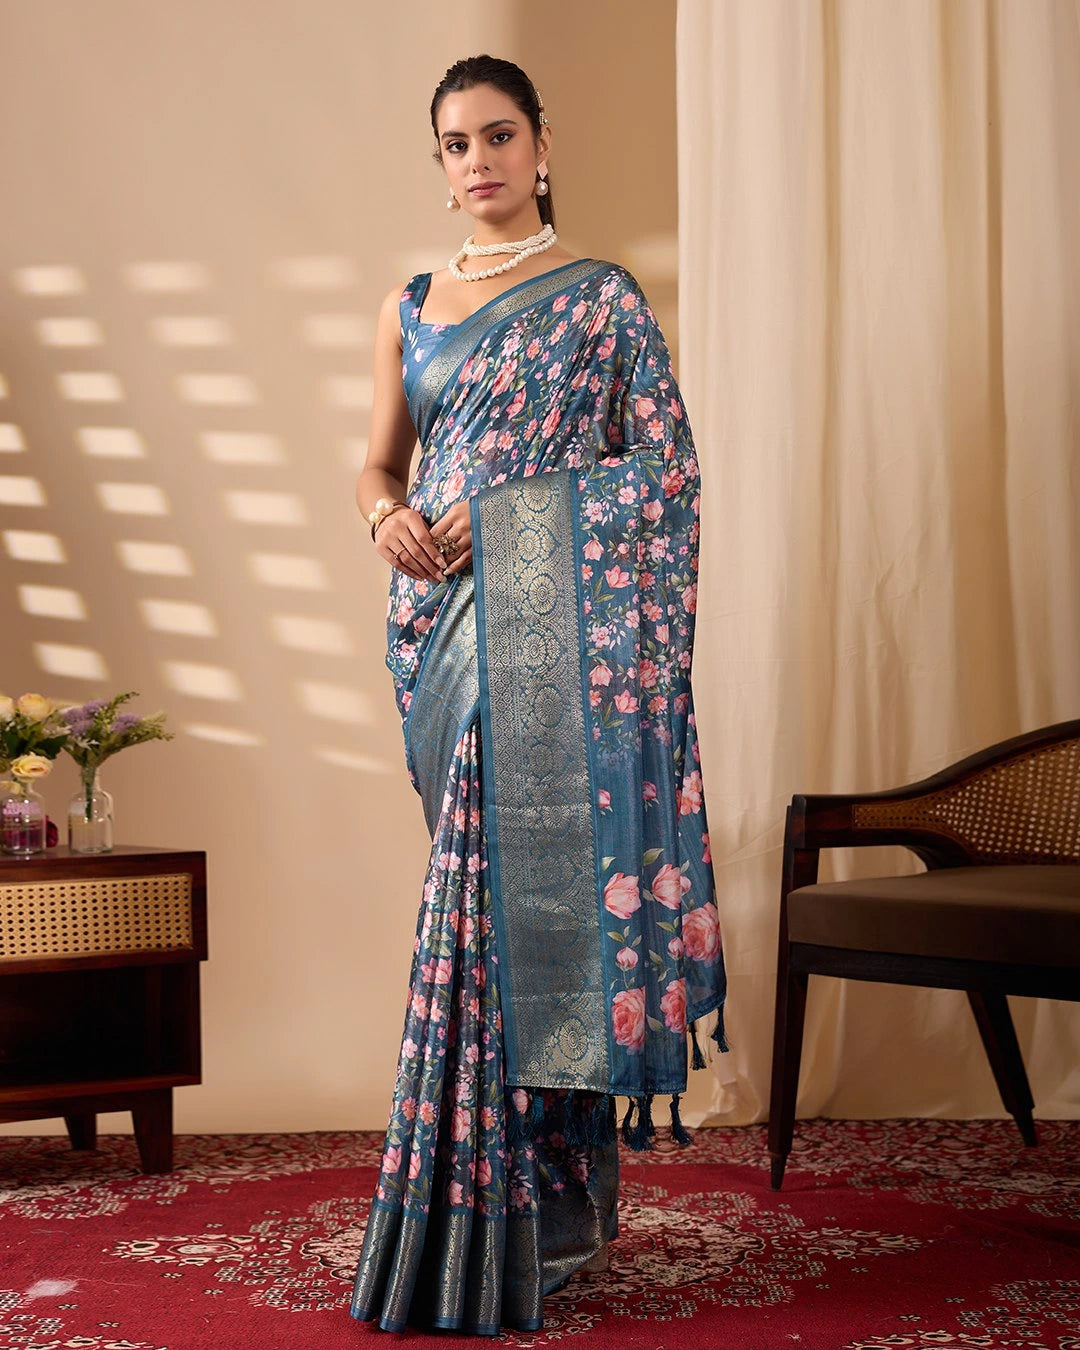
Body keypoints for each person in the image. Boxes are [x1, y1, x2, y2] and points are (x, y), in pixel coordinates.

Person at [350, 53, 727, 1337]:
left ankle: (540, 1215)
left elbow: (666, 475)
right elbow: (377, 465)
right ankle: (495, 1211)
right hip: (440, 631)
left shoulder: (602, 300)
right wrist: (389, 518)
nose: (480, 161)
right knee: (490, 906)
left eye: (500, 135)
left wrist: (516, 515)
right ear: (441, 163)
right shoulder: (411, 307)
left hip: (555, 638)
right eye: (456, 144)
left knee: (536, 915)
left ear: (543, 145)